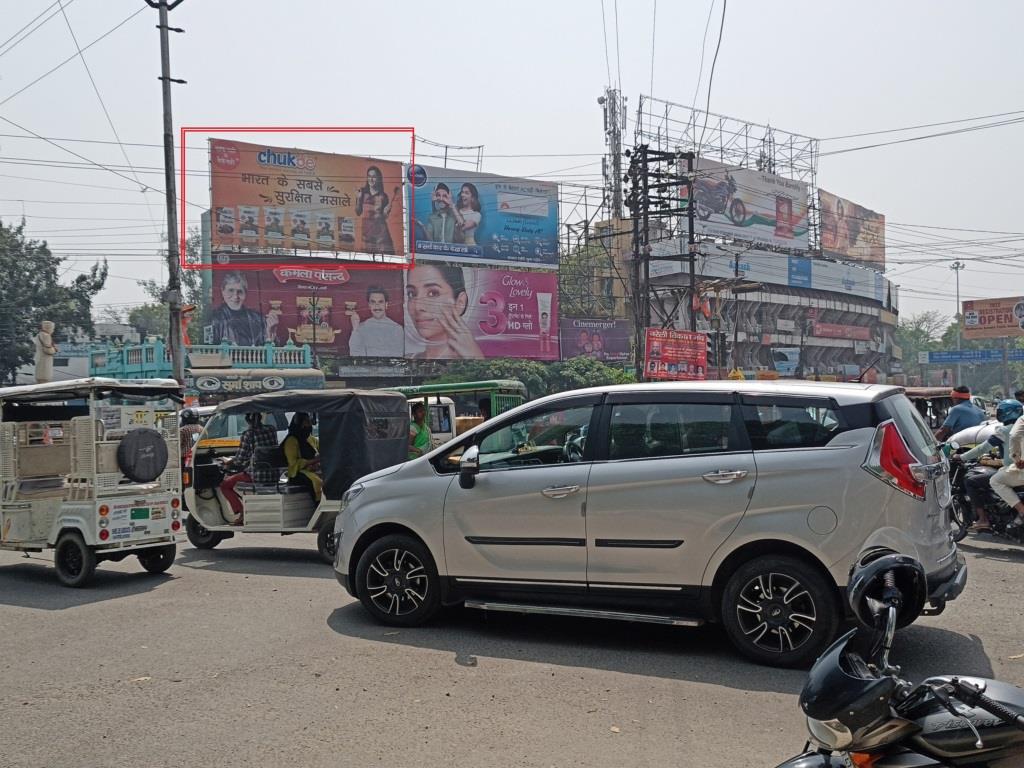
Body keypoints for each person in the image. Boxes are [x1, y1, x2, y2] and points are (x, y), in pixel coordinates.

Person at [953, 399, 1023, 533]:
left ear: (1008, 413)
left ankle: (983, 519)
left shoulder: (1004, 430)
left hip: (1017, 471)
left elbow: (982, 448)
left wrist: (961, 457)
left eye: (1000, 412)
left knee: (977, 481)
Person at [405, 264, 483, 359]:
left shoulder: (479, 364)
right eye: (411, 294)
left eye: (433, 293)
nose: (417, 307)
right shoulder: (405, 361)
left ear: (460, 303)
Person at [219, 412, 280, 525]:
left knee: (225, 485)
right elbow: (263, 450)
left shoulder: (248, 434)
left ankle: (242, 513)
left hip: (257, 475)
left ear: (247, 420)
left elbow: (240, 459)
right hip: (274, 473)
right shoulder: (271, 429)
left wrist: (228, 461)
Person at [211, 272, 278, 346]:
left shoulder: (258, 318)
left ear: (245, 294)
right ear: (223, 291)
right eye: (231, 290)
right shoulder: (214, 318)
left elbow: (270, 351)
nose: (235, 296)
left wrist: (270, 333)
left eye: (240, 292)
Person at [347, 286, 404, 357]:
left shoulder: (397, 329)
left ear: (386, 304)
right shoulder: (360, 328)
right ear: (369, 305)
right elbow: (355, 355)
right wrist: (355, 329)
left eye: (380, 302)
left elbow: (398, 356)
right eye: (373, 302)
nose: (377, 306)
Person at [990, 409, 1024, 531]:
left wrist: (1017, 458)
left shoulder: (1021, 420)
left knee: (995, 480)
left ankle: (1021, 510)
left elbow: (1014, 436)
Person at [355, 165, 395, 254]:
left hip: (381, 236)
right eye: (369, 176)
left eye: (374, 177)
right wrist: (358, 199)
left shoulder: (383, 196)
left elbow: (383, 217)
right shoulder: (362, 193)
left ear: (378, 178)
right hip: (367, 235)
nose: (371, 179)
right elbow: (358, 212)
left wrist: (386, 212)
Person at [282, 412, 321, 501]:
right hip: (297, 473)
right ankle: (318, 504)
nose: (310, 425)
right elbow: (293, 463)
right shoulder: (291, 441)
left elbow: (321, 450)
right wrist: (312, 461)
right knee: (318, 482)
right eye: (307, 422)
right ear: (300, 424)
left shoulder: (311, 439)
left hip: (313, 469)